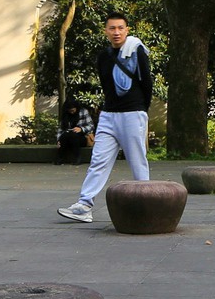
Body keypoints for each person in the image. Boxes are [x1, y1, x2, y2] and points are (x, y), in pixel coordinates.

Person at [56, 12, 152, 223]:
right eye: (112, 28)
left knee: (137, 161)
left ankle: (147, 205)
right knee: (98, 160)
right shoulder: (104, 56)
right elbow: (106, 86)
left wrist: (140, 110)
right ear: (106, 31)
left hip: (132, 114)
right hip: (109, 115)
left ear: (127, 30)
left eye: (120, 28)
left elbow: (147, 84)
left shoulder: (137, 52)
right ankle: (84, 205)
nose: (116, 32)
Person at [56, 96, 94, 166]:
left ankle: (77, 158)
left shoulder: (84, 112)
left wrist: (81, 129)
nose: (72, 112)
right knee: (65, 136)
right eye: (70, 111)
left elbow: (91, 126)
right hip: (68, 137)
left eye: (73, 110)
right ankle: (60, 159)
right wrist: (58, 140)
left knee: (73, 135)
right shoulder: (65, 115)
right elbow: (60, 129)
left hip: (82, 137)